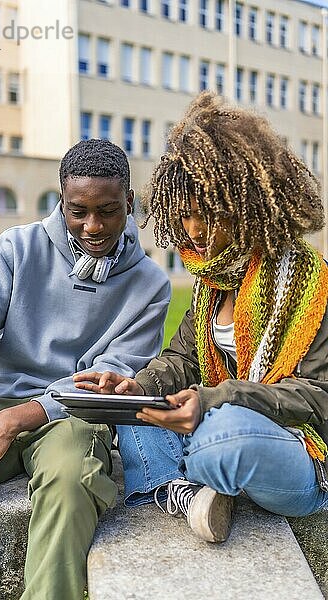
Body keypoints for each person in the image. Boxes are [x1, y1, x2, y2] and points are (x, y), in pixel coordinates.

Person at [74, 92, 328, 544]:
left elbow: (320, 397)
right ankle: (190, 493)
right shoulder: (212, 284)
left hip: (296, 450)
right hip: (220, 421)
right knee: (138, 410)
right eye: (187, 215)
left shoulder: (313, 284)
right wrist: (138, 389)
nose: (194, 231)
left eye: (210, 214)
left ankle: (172, 478)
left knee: (223, 434)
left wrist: (215, 400)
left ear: (248, 207)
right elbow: (183, 359)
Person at [0, 138, 171, 599]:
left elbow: (109, 378)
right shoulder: (17, 249)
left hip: (74, 417)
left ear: (130, 204)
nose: (93, 226)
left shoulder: (150, 286)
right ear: (62, 201)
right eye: (79, 211)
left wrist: (13, 421)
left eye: (108, 210)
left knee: (72, 484)